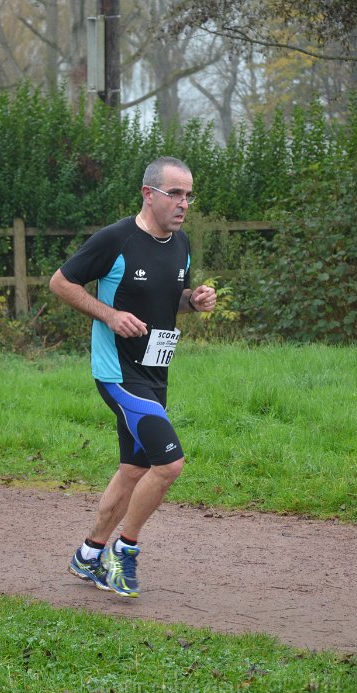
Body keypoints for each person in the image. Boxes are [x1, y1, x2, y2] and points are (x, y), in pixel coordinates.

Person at [49, 156, 217, 598]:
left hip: (156, 371)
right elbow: (61, 283)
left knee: (134, 468)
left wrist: (193, 300)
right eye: (174, 193)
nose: (183, 203)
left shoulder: (180, 243)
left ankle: (88, 554)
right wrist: (109, 315)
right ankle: (124, 552)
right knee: (169, 463)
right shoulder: (116, 239)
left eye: (188, 195)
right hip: (118, 374)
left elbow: (166, 297)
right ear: (148, 193)